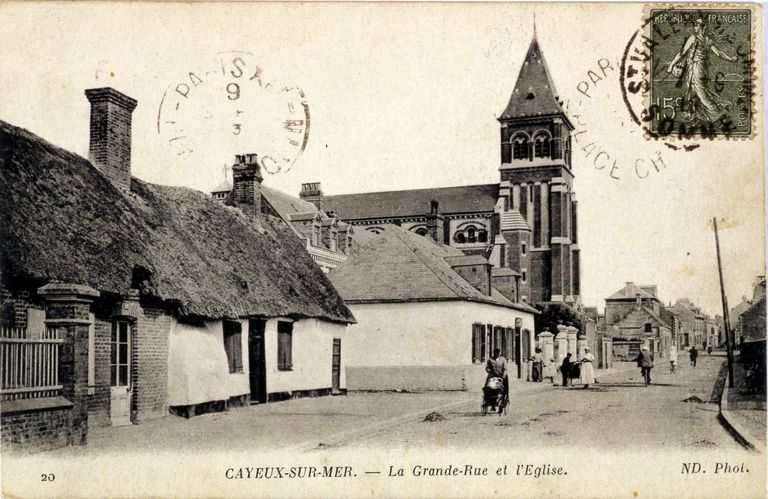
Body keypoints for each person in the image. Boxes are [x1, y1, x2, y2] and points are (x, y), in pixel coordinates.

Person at [666, 18, 738, 125]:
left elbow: (682, 53)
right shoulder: (707, 39)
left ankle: (718, 114)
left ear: (702, 27)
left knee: (700, 92)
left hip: (696, 68)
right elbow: (719, 53)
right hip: (700, 69)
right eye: (694, 24)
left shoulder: (693, 38)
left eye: (697, 25)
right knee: (693, 91)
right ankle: (695, 117)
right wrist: (730, 59)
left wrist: (672, 65)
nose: (695, 27)